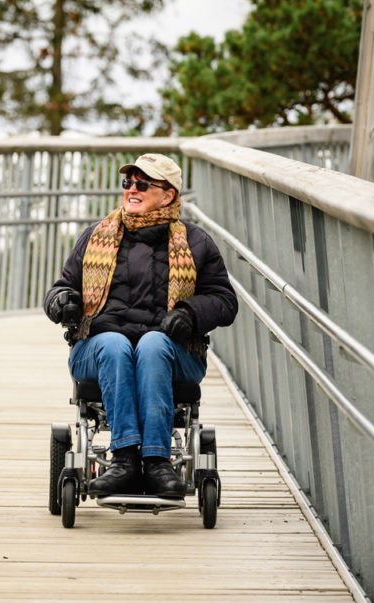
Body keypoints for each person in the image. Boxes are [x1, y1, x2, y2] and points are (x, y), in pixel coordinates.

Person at [44, 153, 237, 498]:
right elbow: (61, 287)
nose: (132, 189)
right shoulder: (95, 236)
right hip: (99, 347)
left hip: (173, 349)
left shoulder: (196, 243)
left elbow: (224, 300)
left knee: (151, 345)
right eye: (128, 183)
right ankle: (125, 459)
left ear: (169, 195)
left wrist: (191, 313)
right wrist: (62, 302)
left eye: (143, 184)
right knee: (116, 344)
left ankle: (158, 460)